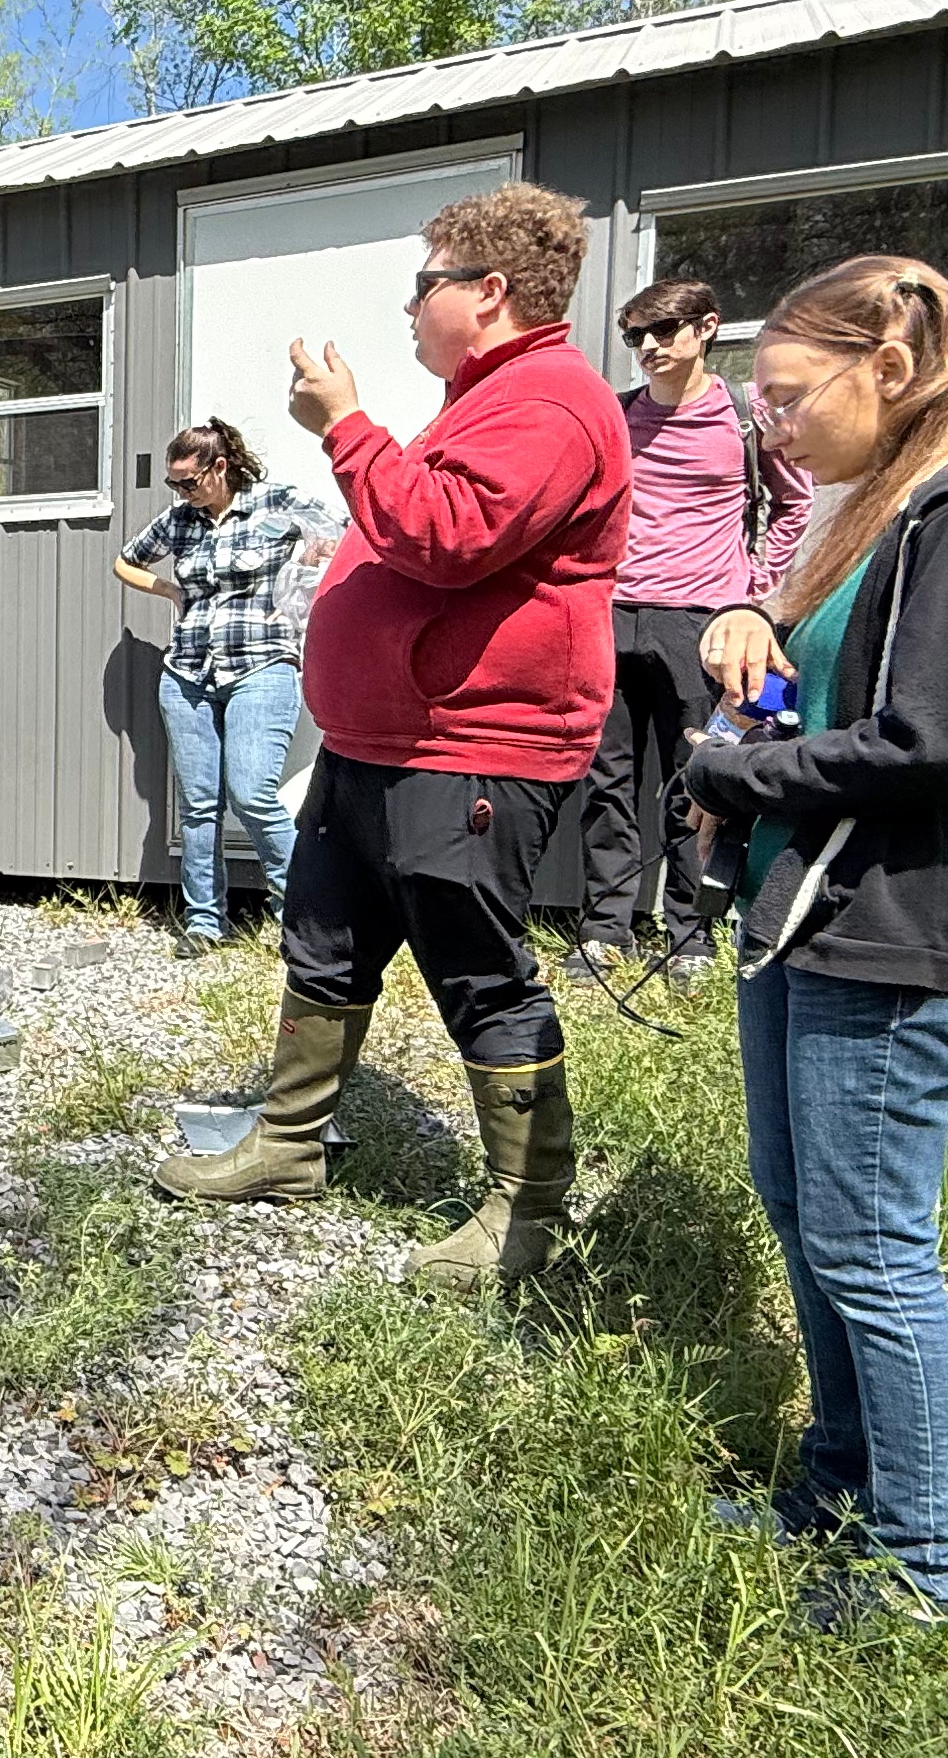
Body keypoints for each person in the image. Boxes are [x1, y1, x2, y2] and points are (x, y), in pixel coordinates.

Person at [681, 255, 948, 1627]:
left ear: (893, 366)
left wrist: (734, 779)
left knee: (872, 1247)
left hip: (901, 921)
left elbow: (944, 740)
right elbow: (846, 665)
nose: (775, 428)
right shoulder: (893, 506)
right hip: (818, 905)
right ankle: (833, 1489)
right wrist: (755, 615)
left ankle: (921, 1571)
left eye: (792, 396)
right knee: (806, 1211)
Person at [160, 179, 631, 1296]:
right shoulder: (491, 398)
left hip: (474, 746)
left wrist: (346, 428)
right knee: (324, 938)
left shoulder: (554, 401)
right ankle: (288, 1145)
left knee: (479, 971)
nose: (410, 307)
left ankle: (528, 1215)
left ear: (491, 291)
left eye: (424, 285)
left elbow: (447, 534)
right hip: (383, 743)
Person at [566, 278, 807, 985]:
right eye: (636, 336)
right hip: (612, 615)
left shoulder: (742, 415)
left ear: (706, 328)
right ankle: (605, 929)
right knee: (608, 780)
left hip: (703, 623)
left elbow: (794, 504)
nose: (648, 348)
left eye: (664, 331)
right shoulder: (616, 416)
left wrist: (752, 594)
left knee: (695, 776)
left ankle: (690, 937)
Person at [112, 413, 344, 953]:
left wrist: (315, 554)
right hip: (187, 672)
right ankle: (203, 922)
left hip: (262, 667)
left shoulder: (275, 502)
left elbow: (348, 530)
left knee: (252, 794)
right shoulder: (181, 520)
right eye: (175, 484)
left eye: (189, 482)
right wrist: (170, 592)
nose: (182, 492)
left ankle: (302, 921)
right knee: (198, 804)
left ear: (220, 467)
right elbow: (125, 561)